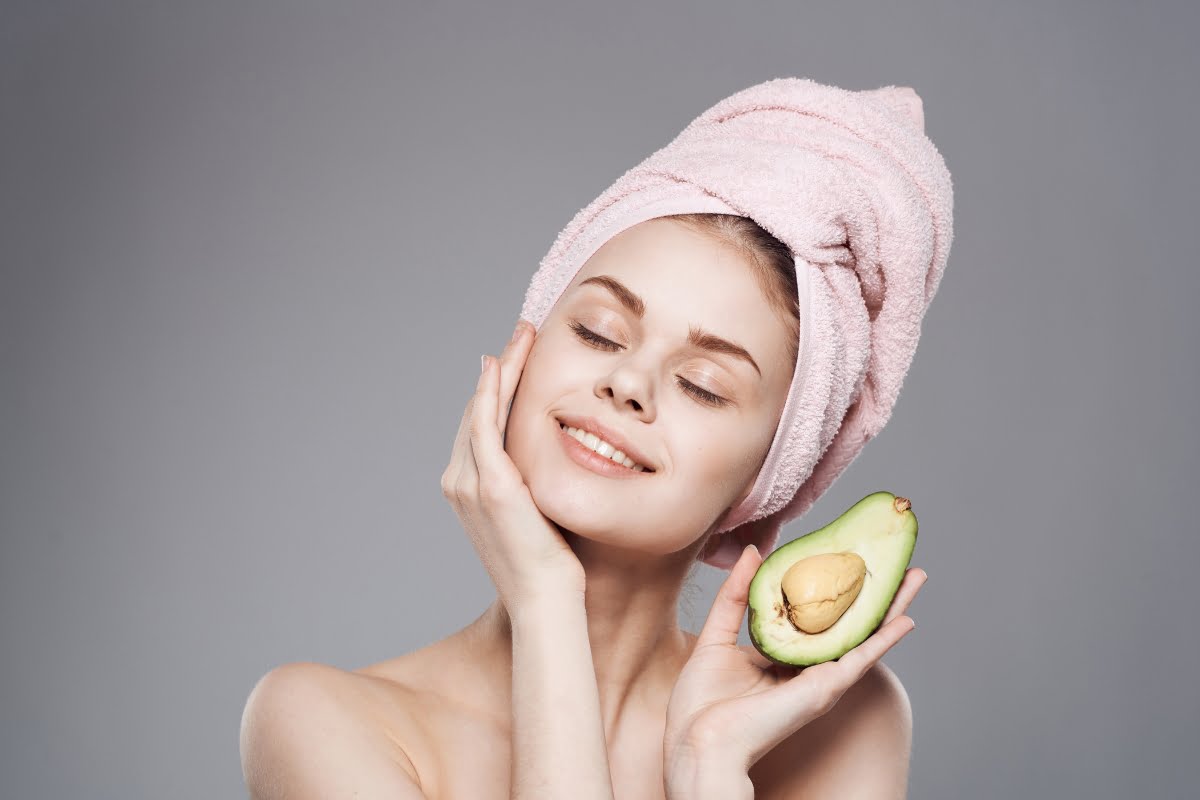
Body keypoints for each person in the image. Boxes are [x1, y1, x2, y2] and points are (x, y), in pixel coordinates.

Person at [240, 213, 927, 799]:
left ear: (768, 481)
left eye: (703, 385)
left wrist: (709, 769)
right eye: (599, 333)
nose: (627, 381)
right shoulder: (318, 717)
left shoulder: (836, 725)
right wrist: (545, 601)